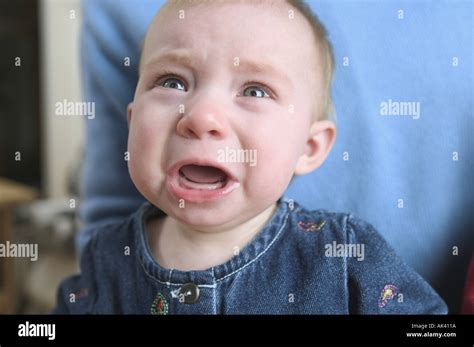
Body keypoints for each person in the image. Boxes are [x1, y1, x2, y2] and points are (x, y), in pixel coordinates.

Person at [53, 0, 447, 314]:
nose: (202, 117)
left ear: (309, 148)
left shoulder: (343, 256)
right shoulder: (106, 259)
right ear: (133, 122)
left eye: (255, 91)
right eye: (172, 82)